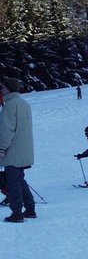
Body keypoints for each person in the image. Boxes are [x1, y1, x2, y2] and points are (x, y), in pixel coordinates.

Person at [0, 77, 36, 222]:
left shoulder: (9, 106)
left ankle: (17, 213)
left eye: (2, 87)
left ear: (9, 88)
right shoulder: (24, 104)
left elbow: (6, 131)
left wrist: (1, 149)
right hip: (24, 150)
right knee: (20, 180)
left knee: (13, 182)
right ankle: (30, 209)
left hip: (14, 152)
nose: (1, 89)